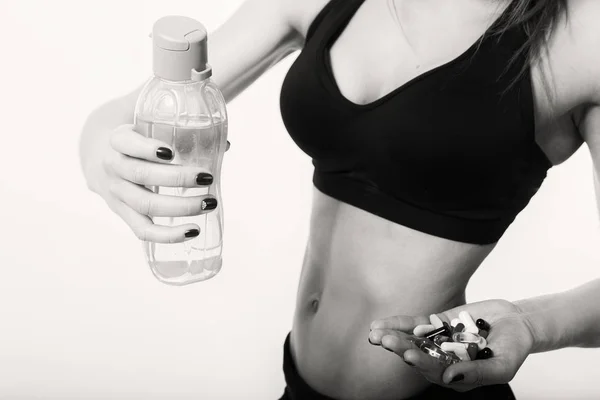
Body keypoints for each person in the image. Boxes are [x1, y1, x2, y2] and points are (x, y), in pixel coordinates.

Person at [79, 0, 600, 398]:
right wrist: (104, 156)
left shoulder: (583, 37)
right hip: (298, 381)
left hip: (437, 388)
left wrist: (531, 325)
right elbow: (124, 113)